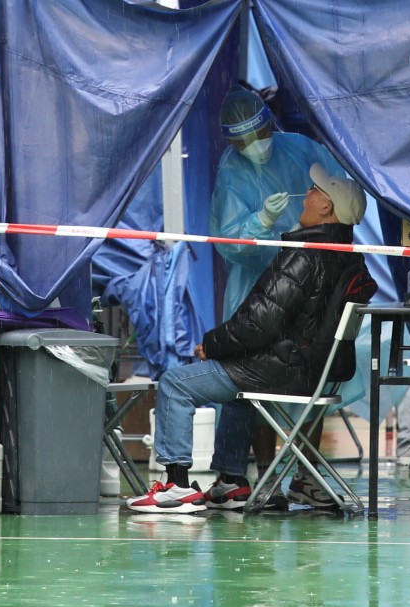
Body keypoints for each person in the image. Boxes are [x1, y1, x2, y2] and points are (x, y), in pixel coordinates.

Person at [127, 163, 372, 513]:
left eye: (316, 191)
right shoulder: (351, 261)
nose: (307, 195)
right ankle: (231, 482)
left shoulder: (303, 256)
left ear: (326, 208)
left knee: (174, 384)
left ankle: (175, 485)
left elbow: (258, 322)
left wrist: (211, 344)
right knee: (237, 389)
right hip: (314, 372)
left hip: (283, 369)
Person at [210, 84, 349, 496]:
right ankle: (264, 471)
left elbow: (339, 188)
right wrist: (259, 223)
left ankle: (285, 473)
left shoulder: (301, 150)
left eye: (259, 135)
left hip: (300, 283)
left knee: (277, 371)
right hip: (263, 286)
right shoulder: (232, 173)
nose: (255, 147)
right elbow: (232, 240)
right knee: (254, 377)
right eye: (244, 142)